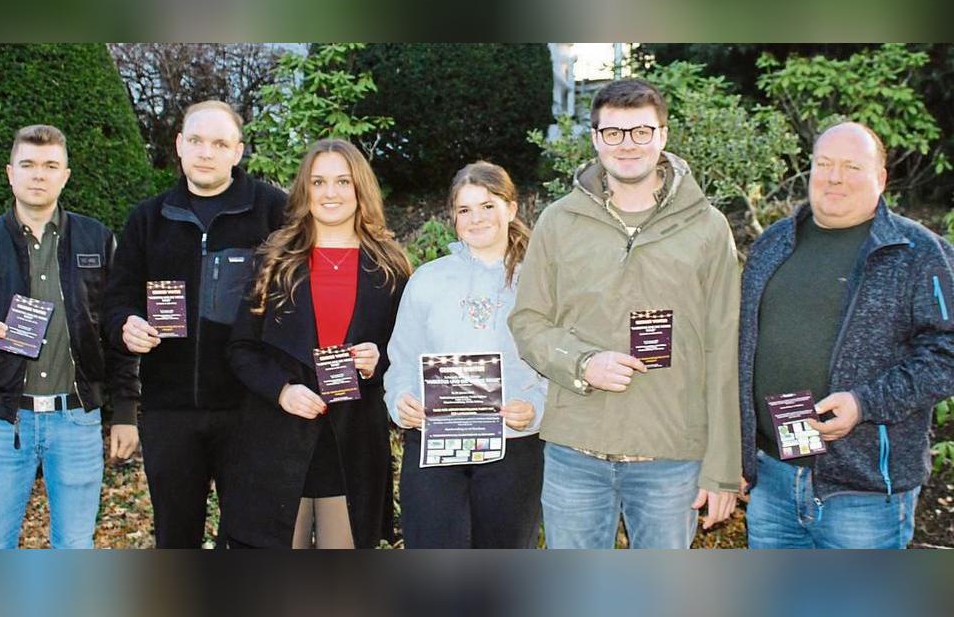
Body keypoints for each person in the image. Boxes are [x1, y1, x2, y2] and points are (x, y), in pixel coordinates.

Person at [508, 78, 741, 549]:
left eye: (640, 131)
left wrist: (722, 470)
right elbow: (528, 321)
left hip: (670, 458)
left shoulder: (707, 228)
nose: (627, 144)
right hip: (576, 453)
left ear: (663, 135)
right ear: (595, 138)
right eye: (613, 132)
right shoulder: (559, 221)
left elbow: (725, 349)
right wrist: (582, 363)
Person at [739, 121, 954, 549]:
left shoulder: (918, 252)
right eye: (824, 164)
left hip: (863, 494)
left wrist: (864, 403)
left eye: (853, 167)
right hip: (773, 481)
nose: (835, 177)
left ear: (881, 178)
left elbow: (948, 353)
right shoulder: (773, 244)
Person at [103, 100, 288, 548]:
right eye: (197, 141)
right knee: (175, 537)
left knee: (252, 538)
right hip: (171, 411)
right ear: (179, 146)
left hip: (249, 408)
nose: (207, 152)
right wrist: (126, 325)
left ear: (238, 151)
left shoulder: (272, 211)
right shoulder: (148, 218)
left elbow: (297, 297)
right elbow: (116, 301)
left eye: (220, 143)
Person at [0, 124, 140, 548]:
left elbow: (118, 325)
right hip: (4, 423)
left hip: (76, 421)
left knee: (74, 547)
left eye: (50, 165)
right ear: (10, 173)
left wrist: (126, 410)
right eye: (29, 165)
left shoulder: (96, 238)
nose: (39, 175)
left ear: (65, 175)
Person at [220, 138, 410, 549]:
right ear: (304, 190)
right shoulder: (273, 259)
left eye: (343, 181)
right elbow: (240, 349)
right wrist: (282, 391)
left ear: (361, 188)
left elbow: (407, 353)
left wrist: (379, 359)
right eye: (319, 182)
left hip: (351, 442)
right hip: (279, 435)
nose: (331, 193)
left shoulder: (391, 266)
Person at [384, 161, 547, 548]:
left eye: (487, 206)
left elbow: (559, 361)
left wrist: (536, 407)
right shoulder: (427, 279)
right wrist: (400, 401)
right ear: (453, 218)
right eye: (464, 209)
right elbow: (402, 361)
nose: (476, 218)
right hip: (435, 446)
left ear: (511, 208)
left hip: (513, 447)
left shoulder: (541, 281)